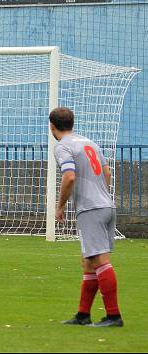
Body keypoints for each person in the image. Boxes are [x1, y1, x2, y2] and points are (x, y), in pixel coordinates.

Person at [50, 107, 123, 327]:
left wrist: (60, 205)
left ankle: (113, 316)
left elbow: (69, 177)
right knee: (89, 262)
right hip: (106, 206)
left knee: (100, 260)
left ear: (52, 126)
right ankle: (83, 315)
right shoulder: (89, 142)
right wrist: (102, 195)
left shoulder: (63, 146)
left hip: (91, 209)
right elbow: (107, 172)